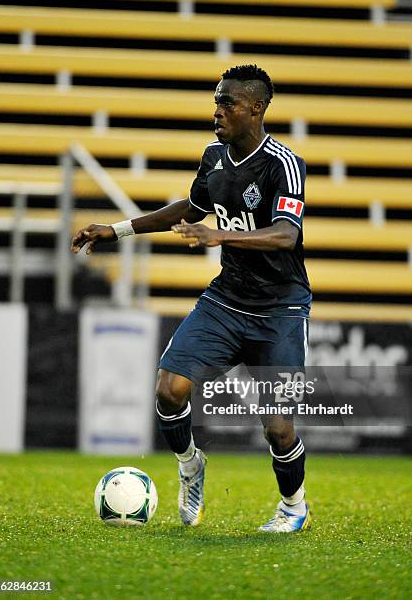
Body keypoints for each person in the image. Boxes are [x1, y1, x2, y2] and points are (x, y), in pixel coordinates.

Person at [71, 64, 312, 532]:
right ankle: (190, 465)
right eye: (216, 100)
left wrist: (219, 236)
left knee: (279, 428)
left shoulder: (283, 164)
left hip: (279, 309)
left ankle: (293, 506)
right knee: (168, 388)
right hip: (226, 301)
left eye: (228, 102)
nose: (217, 110)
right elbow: (190, 207)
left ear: (256, 109)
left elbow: (286, 235)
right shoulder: (214, 156)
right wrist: (117, 229)